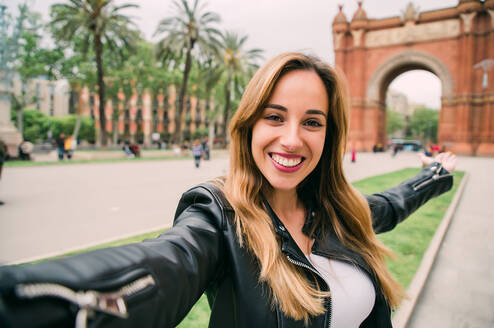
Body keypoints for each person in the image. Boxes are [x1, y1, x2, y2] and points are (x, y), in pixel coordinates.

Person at [0, 53, 456, 328]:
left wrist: (433, 176)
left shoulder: (337, 211)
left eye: (312, 122)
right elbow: (162, 265)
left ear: (329, 135)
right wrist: (32, 302)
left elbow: (390, 205)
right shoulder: (219, 218)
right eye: (274, 117)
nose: (292, 138)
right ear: (248, 125)